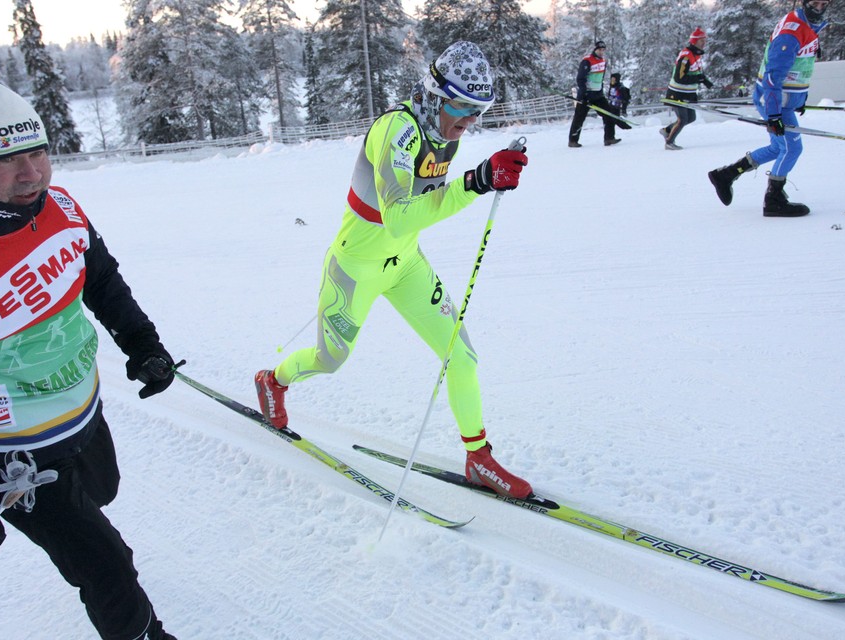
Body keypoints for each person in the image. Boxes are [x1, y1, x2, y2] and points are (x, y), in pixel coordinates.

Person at [0, 80, 177, 639]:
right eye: (5, 160)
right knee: (107, 564)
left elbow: (101, 278)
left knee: (103, 490)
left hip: (76, 412)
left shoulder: (60, 206)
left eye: (38, 151)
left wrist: (142, 344)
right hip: (1, 452)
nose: (32, 174)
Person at [254, 41, 533, 500]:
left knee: (462, 356)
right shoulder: (397, 130)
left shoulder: (445, 131)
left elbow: (420, 213)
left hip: (406, 265)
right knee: (330, 360)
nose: (469, 121)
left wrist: (482, 176)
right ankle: (273, 380)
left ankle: (478, 458)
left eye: (479, 110)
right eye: (462, 106)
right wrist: (478, 180)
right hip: (355, 269)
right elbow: (400, 214)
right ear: (436, 92)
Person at [708, 0, 831, 217]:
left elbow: (801, 66)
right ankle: (773, 200)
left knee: (778, 147)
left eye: (824, 3)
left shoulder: (807, 24)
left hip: (783, 101)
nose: (819, 8)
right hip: (775, 101)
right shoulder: (791, 32)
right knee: (792, 149)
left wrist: (799, 98)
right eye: (815, 2)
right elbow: (773, 77)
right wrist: (774, 115)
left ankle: (726, 175)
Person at [661, 28, 714, 150]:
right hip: (677, 92)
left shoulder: (696, 55)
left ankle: (667, 130)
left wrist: (705, 80)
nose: (704, 43)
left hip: (688, 93)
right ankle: (669, 142)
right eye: (701, 40)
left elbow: (696, 72)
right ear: (694, 42)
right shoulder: (686, 56)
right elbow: (680, 77)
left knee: (691, 118)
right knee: (682, 119)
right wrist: (698, 80)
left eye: (704, 40)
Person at [568, 41, 629, 147]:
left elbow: (600, 78)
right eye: (599, 50)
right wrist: (584, 94)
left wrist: (601, 91)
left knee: (609, 114)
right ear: (595, 50)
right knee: (579, 118)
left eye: (603, 50)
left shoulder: (603, 61)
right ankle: (573, 141)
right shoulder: (587, 61)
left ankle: (609, 138)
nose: (601, 52)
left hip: (598, 94)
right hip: (586, 95)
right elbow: (581, 79)